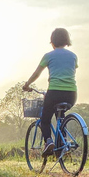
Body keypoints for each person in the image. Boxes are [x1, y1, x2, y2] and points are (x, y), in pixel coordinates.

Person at [23, 28, 78, 157]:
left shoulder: (49, 56)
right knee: (61, 116)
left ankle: (48, 141)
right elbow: (71, 71)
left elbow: (37, 73)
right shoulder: (73, 56)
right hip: (71, 94)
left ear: (52, 41)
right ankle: (62, 145)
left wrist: (27, 84)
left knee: (45, 119)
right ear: (66, 41)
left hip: (54, 92)